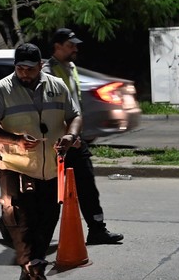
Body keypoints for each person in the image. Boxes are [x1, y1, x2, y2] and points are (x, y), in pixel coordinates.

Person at [0, 43, 82, 280]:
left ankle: (28, 277)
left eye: (30, 68)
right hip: (15, 166)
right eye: (20, 68)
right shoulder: (1, 89)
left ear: (40, 66)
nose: (24, 73)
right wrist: (15, 140)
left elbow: (75, 116)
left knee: (47, 221)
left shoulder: (57, 86)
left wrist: (70, 135)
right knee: (21, 222)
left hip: (50, 168)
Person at [44, 28, 124, 245]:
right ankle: (11, 224)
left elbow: (74, 106)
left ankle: (97, 229)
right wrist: (66, 136)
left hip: (75, 139)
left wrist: (75, 134)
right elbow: (51, 111)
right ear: (57, 46)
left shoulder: (71, 68)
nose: (75, 49)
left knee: (87, 185)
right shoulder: (47, 72)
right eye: (70, 45)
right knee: (51, 192)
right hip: (58, 143)